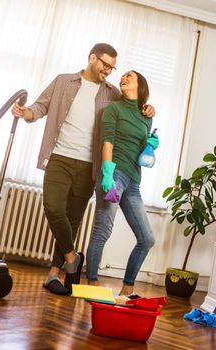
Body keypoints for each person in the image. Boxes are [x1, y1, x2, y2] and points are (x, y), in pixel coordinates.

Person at [11, 44, 155, 295]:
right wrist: (26, 113)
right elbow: (41, 106)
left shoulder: (112, 93)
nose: (109, 71)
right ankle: (71, 258)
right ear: (92, 58)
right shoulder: (64, 81)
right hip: (59, 156)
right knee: (54, 208)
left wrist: (149, 109)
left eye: (113, 67)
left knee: (73, 219)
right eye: (105, 65)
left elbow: (134, 111)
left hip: (90, 164)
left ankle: (53, 275)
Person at [86, 70, 159, 296]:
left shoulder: (147, 116)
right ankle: (91, 284)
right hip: (114, 174)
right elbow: (107, 142)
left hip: (133, 182)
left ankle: (127, 288)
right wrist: (107, 173)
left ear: (141, 85)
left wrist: (152, 145)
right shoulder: (113, 109)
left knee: (146, 239)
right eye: (123, 76)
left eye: (130, 76)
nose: (123, 78)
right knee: (103, 230)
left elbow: (140, 150)